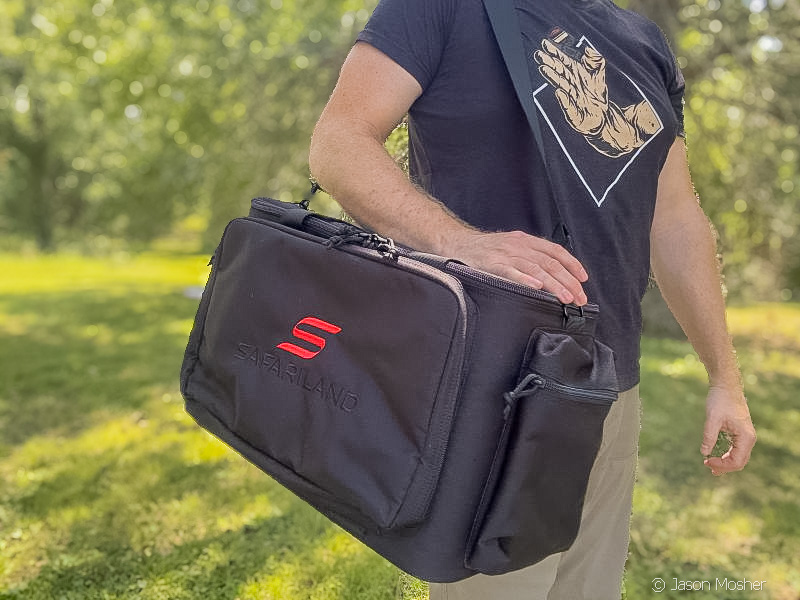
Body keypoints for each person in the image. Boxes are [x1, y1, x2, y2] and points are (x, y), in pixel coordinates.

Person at [308, 0, 757, 598]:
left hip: (609, 389)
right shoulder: (441, 8)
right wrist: (459, 241)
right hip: (490, 388)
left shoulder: (642, 40)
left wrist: (724, 375)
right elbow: (339, 142)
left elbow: (674, 218)